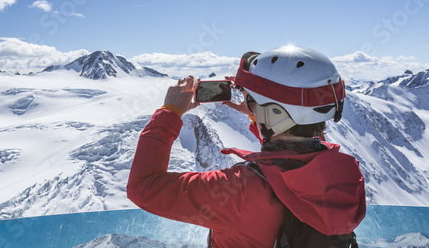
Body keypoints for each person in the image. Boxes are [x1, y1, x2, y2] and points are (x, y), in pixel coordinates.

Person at [127, 46, 366, 248]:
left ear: (274, 113)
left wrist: (170, 112)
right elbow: (295, 160)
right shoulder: (344, 175)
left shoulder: (236, 190)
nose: (249, 105)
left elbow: (143, 186)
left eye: (253, 101)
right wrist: (258, 116)